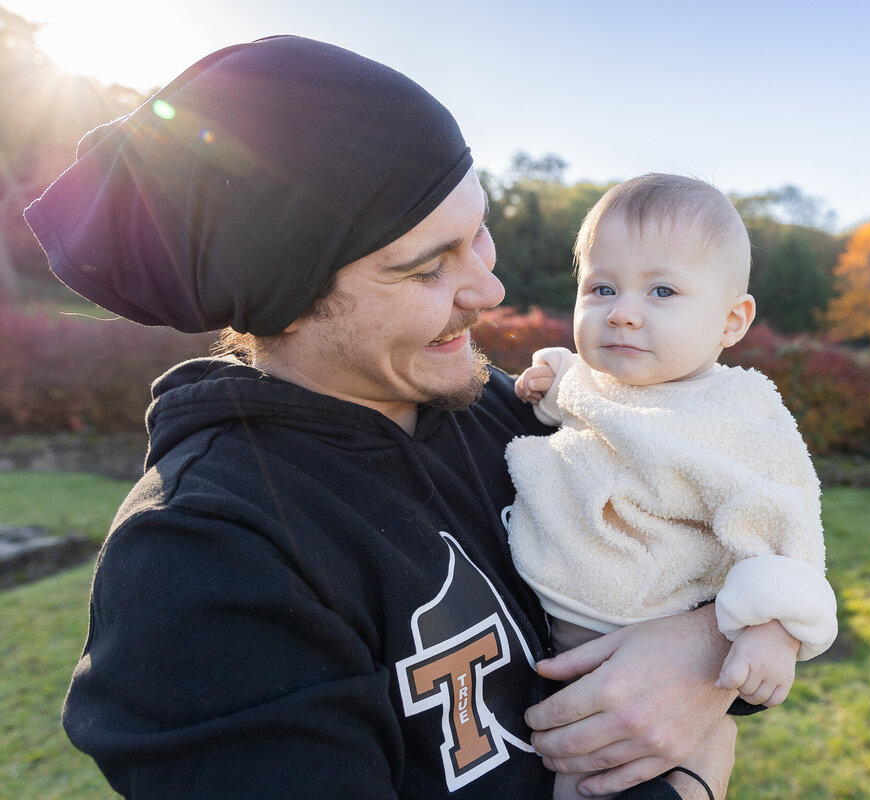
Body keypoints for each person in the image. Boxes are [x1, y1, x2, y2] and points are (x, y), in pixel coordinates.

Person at [24, 37, 739, 800]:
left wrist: (703, 652)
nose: (488, 289)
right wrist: (689, 779)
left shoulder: (511, 410)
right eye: (428, 267)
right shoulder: (201, 558)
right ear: (288, 300)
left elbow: (739, 529)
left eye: (479, 232)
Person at [505, 174, 838, 799]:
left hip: (650, 652)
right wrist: (551, 372)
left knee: (604, 782)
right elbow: (579, 393)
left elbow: (788, 525)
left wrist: (774, 624)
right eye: (602, 288)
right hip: (554, 639)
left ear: (731, 321)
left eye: (662, 290)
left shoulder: (741, 416)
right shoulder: (602, 385)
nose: (623, 310)